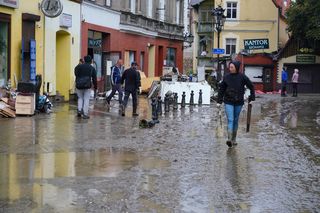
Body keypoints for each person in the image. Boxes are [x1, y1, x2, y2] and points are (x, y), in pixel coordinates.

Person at [217, 60, 255, 148]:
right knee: (230, 119)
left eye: (232, 67)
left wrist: (252, 97)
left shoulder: (242, 77)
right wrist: (219, 101)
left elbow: (251, 86)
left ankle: (234, 139)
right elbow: (221, 89)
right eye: (229, 67)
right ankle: (229, 139)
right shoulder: (226, 77)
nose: (230, 69)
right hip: (228, 101)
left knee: (235, 120)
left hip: (239, 102)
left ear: (236, 68)